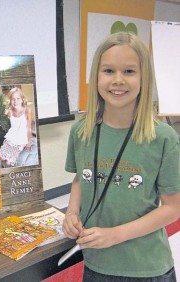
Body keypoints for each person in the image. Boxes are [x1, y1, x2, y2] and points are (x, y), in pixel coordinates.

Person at [63, 32, 180, 281]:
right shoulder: (81, 131)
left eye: (129, 71)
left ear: (144, 78)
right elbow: (81, 178)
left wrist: (115, 235)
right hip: (96, 262)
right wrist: (72, 212)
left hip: (146, 268)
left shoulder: (163, 137)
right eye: (108, 71)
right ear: (96, 76)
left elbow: (173, 208)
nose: (118, 80)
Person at [0, 87, 32, 167]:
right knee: (0, 156)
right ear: (10, 100)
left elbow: (29, 127)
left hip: (21, 138)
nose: (15, 101)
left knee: (9, 162)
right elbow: (12, 125)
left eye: (18, 98)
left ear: (22, 99)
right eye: (13, 99)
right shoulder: (10, 111)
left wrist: (29, 141)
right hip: (12, 136)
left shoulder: (27, 111)